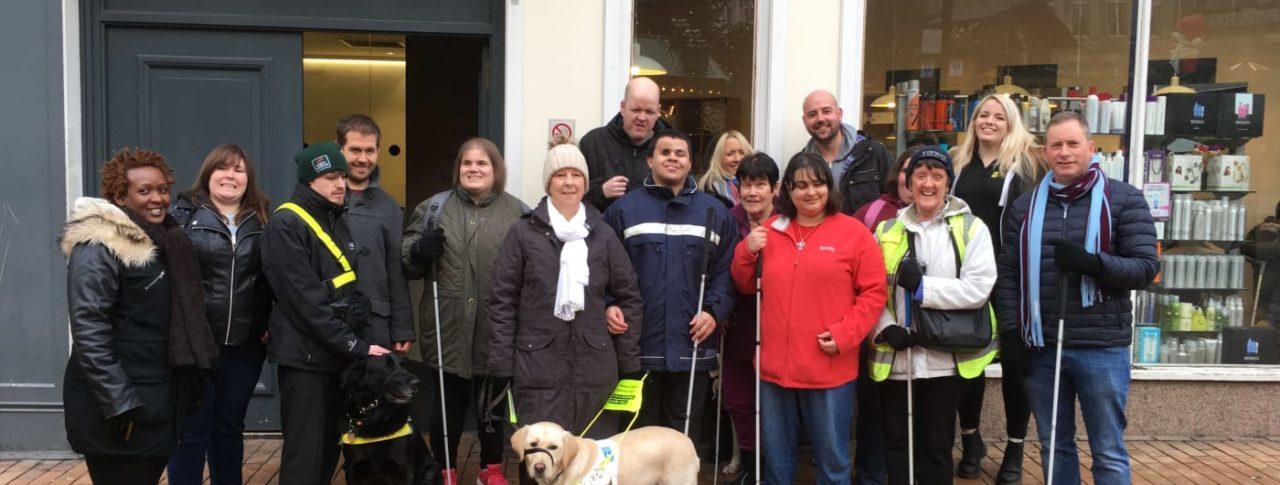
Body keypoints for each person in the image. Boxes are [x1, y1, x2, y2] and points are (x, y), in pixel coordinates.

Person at [995, 112, 1158, 484]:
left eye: (1072, 144)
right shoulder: (1025, 207)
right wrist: (1010, 335)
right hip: (1042, 347)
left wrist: (1094, 263)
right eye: (1056, 145)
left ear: (1091, 148)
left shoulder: (1124, 200)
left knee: (1108, 449)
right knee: (1054, 445)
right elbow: (1008, 275)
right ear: (1044, 152)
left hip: (1101, 347)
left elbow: (1146, 267)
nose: (1064, 153)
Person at [61, 148, 216, 485]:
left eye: (162, 189)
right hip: (119, 404)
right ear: (120, 196)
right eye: (144, 191)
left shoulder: (167, 241)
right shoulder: (100, 244)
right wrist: (118, 401)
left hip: (156, 396)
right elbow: (89, 328)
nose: (157, 199)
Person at [732, 152, 887, 484]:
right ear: (787, 190)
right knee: (777, 463)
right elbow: (746, 285)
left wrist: (846, 334)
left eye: (817, 183)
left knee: (832, 463)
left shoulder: (854, 233)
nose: (810, 192)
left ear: (829, 187)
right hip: (775, 369)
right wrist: (747, 250)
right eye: (800, 185)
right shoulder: (772, 228)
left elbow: (874, 293)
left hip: (828, 368)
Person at [486, 137, 644, 462]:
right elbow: (502, 301)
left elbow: (629, 296)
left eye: (576, 175)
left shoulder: (603, 234)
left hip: (595, 371)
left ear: (586, 183)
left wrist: (628, 364)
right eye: (560, 175)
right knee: (540, 462)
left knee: (593, 465)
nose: (569, 182)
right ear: (548, 182)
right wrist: (501, 365)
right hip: (537, 369)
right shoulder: (523, 233)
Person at [263, 142, 393, 485]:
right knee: (304, 458)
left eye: (342, 176)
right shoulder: (286, 223)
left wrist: (357, 345)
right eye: (330, 177)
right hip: (306, 361)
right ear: (309, 182)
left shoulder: (334, 217)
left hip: (334, 357)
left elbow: (346, 291)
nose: (340, 184)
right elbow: (305, 302)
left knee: (326, 453)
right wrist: (355, 346)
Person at [869, 147, 998, 485]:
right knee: (898, 447)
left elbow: (978, 288)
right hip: (899, 360)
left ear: (948, 184)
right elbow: (869, 291)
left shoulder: (972, 229)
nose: (928, 184)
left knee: (935, 449)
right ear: (908, 183)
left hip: (945, 360)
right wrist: (885, 328)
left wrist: (924, 288)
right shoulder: (885, 231)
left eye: (937, 177)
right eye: (920, 176)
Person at [402, 138, 527, 485]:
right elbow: (407, 260)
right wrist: (418, 252)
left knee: (493, 404)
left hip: (496, 325)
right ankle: (445, 469)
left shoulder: (517, 212)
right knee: (448, 404)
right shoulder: (434, 209)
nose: (473, 169)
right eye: (466, 163)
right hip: (448, 325)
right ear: (458, 169)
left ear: (496, 170)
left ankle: (491, 467)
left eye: (482, 163)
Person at [602, 129, 738, 443]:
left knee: (682, 442)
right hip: (637, 348)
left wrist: (713, 312)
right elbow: (600, 268)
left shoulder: (714, 213)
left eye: (680, 154)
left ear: (691, 163)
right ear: (650, 159)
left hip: (692, 347)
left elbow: (728, 271)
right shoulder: (623, 210)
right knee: (637, 441)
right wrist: (608, 303)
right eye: (665, 153)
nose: (672, 159)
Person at [947, 93, 1045, 483]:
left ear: (1011, 123)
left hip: (1011, 279)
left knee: (1015, 369)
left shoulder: (1026, 165)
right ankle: (971, 440)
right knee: (967, 365)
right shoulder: (958, 163)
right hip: (967, 277)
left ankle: (1016, 448)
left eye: (998, 116)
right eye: (982, 115)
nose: (989, 121)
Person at [167, 144, 273, 485]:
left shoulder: (265, 218)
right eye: (223, 168)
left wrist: (272, 320)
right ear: (208, 174)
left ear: (249, 178)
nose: (230, 176)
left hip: (245, 344)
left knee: (228, 429)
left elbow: (276, 276)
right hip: (196, 345)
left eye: (239, 170)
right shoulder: (181, 216)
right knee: (192, 431)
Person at [849, 145, 918, 485]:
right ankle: (870, 477)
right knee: (874, 412)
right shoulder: (873, 211)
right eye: (908, 169)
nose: (915, 177)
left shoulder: (951, 218)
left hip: (928, 339)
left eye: (924, 171)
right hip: (876, 333)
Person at [719, 153, 779, 484]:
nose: (752, 192)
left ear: (775, 188)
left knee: (772, 401)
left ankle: (773, 464)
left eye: (760, 185)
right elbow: (717, 271)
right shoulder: (727, 221)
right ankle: (750, 464)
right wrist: (720, 307)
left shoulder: (789, 222)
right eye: (746, 185)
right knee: (739, 399)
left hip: (777, 326)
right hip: (737, 323)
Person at [338, 115, 415, 354]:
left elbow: (396, 270)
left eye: (369, 151)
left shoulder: (389, 206)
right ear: (339, 149)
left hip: (376, 324)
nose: (363, 159)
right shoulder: (321, 199)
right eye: (355, 150)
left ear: (378, 150)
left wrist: (402, 327)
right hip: (330, 321)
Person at [580, 76, 673, 210]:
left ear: (658, 111)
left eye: (649, 112)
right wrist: (600, 192)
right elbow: (571, 196)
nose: (641, 117)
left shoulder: (672, 148)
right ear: (623, 107)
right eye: (635, 110)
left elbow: (685, 196)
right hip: (605, 229)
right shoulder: (593, 142)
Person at [800, 90, 893, 214]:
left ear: (839, 114)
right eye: (812, 114)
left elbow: (894, 200)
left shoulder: (873, 153)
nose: (820, 119)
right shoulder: (801, 165)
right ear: (804, 120)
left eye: (826, 111)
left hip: (867, 232)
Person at [1242, 201, 1280, 327]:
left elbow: (1247, 249)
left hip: (1263, 297)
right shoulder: (1263, 230)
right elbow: (1248, 249)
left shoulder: (1259, 230)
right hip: (1270, 303)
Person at [698, 130, 754, 207]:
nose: (737, 159)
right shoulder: (710, 188)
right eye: (730, 154)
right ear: (719, 158)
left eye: (742, 153)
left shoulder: (758, 184)